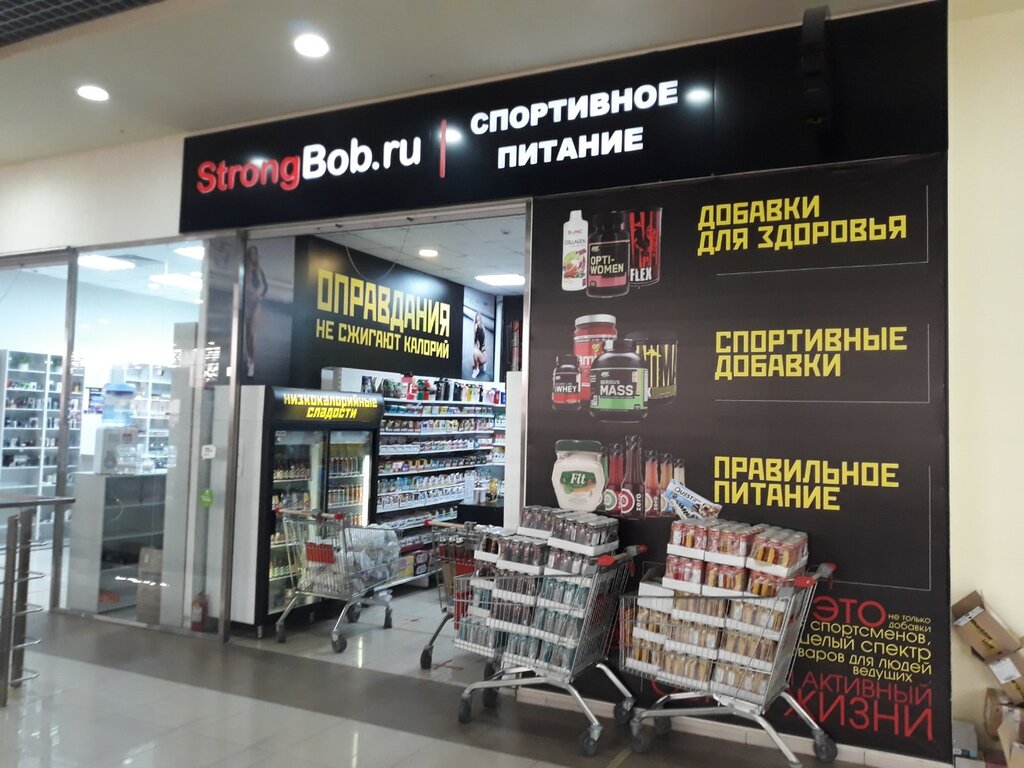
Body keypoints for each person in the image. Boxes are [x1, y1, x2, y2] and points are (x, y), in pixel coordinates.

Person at [243, 244, 269, 378]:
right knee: (248, 332)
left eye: (255, 254)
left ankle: (251, 362)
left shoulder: (259, 271)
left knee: (252, 333)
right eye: (251, 254)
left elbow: (266, 286)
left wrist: (260, 296)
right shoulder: (244, 269)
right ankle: (249, 358)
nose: (253, 256)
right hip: (246, 301)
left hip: (256, 302)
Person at [471, 312, 487, 379]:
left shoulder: (481, 330)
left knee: (475, 351)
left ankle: (477, 369)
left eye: (478, 320)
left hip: (483, 356)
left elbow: (482, 347)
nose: (477, 323)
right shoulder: (476, 332)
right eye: (476, 320)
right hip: (480, 355)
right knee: (472, 364)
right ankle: (478, 366)